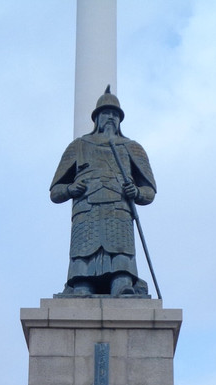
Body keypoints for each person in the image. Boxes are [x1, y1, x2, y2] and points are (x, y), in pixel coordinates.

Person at [50, 87, 156, 297]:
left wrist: (135, 192)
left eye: (115, 115)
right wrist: (71, 189)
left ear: (120, 120)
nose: (110, 117)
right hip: (86, 211)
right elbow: (55, 191)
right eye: (106, 113)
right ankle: (82, 282)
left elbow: (149, 191)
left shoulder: (131, 147)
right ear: (96, 118)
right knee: (83, 260)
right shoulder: (79, 146)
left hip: (118, 211)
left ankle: (122, 281)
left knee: (120, 255)